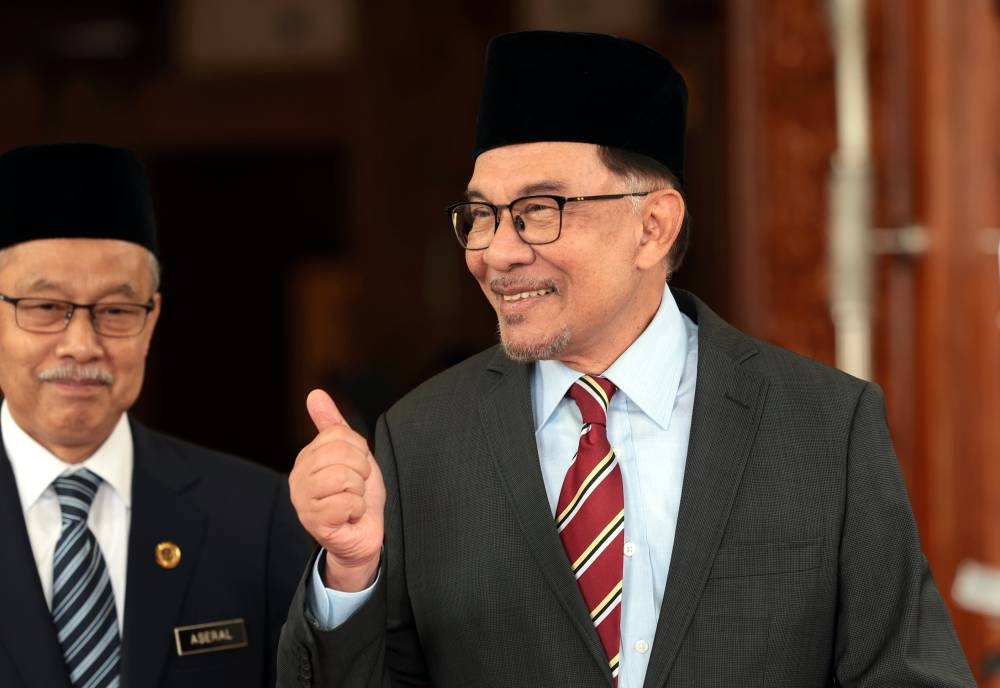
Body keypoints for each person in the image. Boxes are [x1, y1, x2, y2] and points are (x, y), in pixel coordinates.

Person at [277, 31, 974, 687]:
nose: (497, 251)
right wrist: (351, 573)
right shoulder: (422, 439)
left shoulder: (824, 427)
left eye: (538, 209)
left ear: (652, 227)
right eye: (482, 214)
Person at [0, 142, 313, 688]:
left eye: (116, 311)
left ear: (152, 318)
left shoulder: (255, 516)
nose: (80, 344)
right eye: (46, 308)